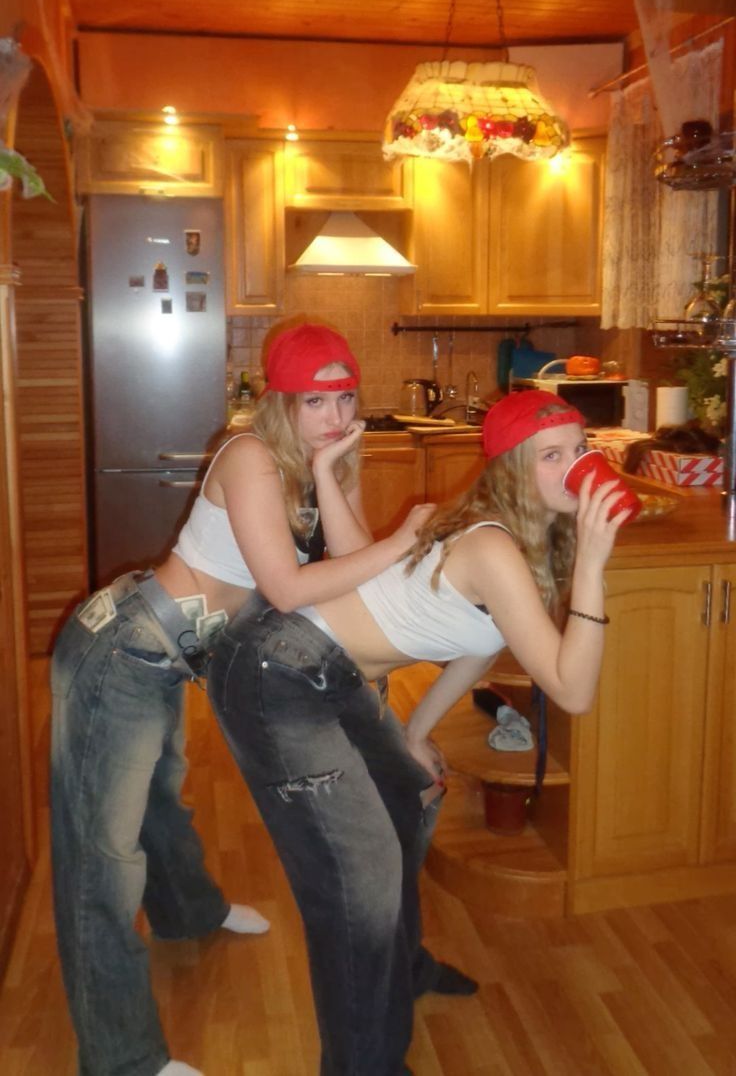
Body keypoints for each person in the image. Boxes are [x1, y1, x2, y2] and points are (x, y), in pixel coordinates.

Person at [207, 389, 629, 1076]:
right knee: (356, 882)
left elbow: (478, 643)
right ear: (512, 469)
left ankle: (403, 970)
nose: (573, 468)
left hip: (327, 674)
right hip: (274, 675)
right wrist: (593, 564)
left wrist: (414, 730)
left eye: (579, 451)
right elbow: (572, 689)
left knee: (407, 800)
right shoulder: (494, 544)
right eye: (550, 455)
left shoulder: (521, 534)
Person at [51, 320, 434, 1076]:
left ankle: (188, 911)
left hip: (169, 655)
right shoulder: (251, 457)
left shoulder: (309, 461)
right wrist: (405, 539)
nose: (334, 415)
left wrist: (335, 472)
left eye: (346, 396)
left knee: (160, 802)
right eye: (315, 401)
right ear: (281, 403)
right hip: (119, 655)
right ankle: (121, 1060)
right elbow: (292, 587)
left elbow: (352, 564)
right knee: (102, 864)